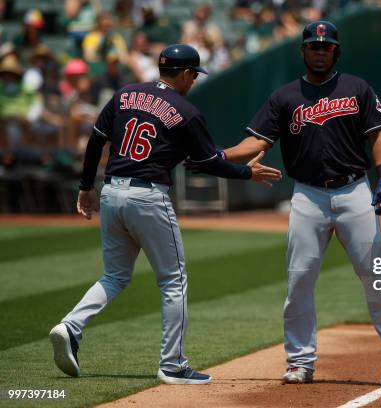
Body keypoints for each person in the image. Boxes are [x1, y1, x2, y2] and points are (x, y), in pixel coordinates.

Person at [48, 44, 282, 385]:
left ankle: (70, 326)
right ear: (186, 74)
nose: (193, 80)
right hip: (148, 196)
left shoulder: (124, 94)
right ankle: (172, 364)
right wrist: (249, 174)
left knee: (114, 276)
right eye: (193, 75)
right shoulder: (186, 110)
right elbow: (205, 164)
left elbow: (96, 141)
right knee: (174, 280)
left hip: (111, 192)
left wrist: (86, 188)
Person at [210, 21, 381, 384]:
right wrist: (219, 155)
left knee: (375, 274)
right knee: (300, 280)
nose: (320, 51)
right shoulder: (284, 97)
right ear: (303, 51)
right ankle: (300, 361)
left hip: (353, 189)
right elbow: (256, 144)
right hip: (307, 195)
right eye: (314, 46)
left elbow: (378, 135)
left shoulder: (357, 88)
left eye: (326, 47)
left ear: (336, 51)